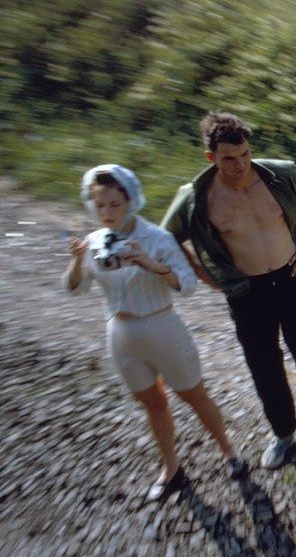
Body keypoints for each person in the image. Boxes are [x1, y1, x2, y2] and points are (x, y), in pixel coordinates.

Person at [162, 112, 296, 470]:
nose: (240, 164)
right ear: (211, 157)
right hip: (246, 290)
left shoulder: (280, 174)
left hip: (292, 276)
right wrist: (205, 276)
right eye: (229, 159)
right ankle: (283, 433)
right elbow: (167, 239)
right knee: (264, 365)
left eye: (244, 155)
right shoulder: (197, 195)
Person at [64, 164, 246, 501]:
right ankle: (171, 468)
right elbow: (74, 290)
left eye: (115, 204)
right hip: (120, 332)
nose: (107, 212)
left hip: (163, 326)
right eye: (100, 205)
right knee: (152, 403)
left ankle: (229, 450)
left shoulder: (156, 238)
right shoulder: (93, 242)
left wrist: (150, 264)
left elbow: (187, 286)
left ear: (131, 201)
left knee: (193, 394)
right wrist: (76, 261)